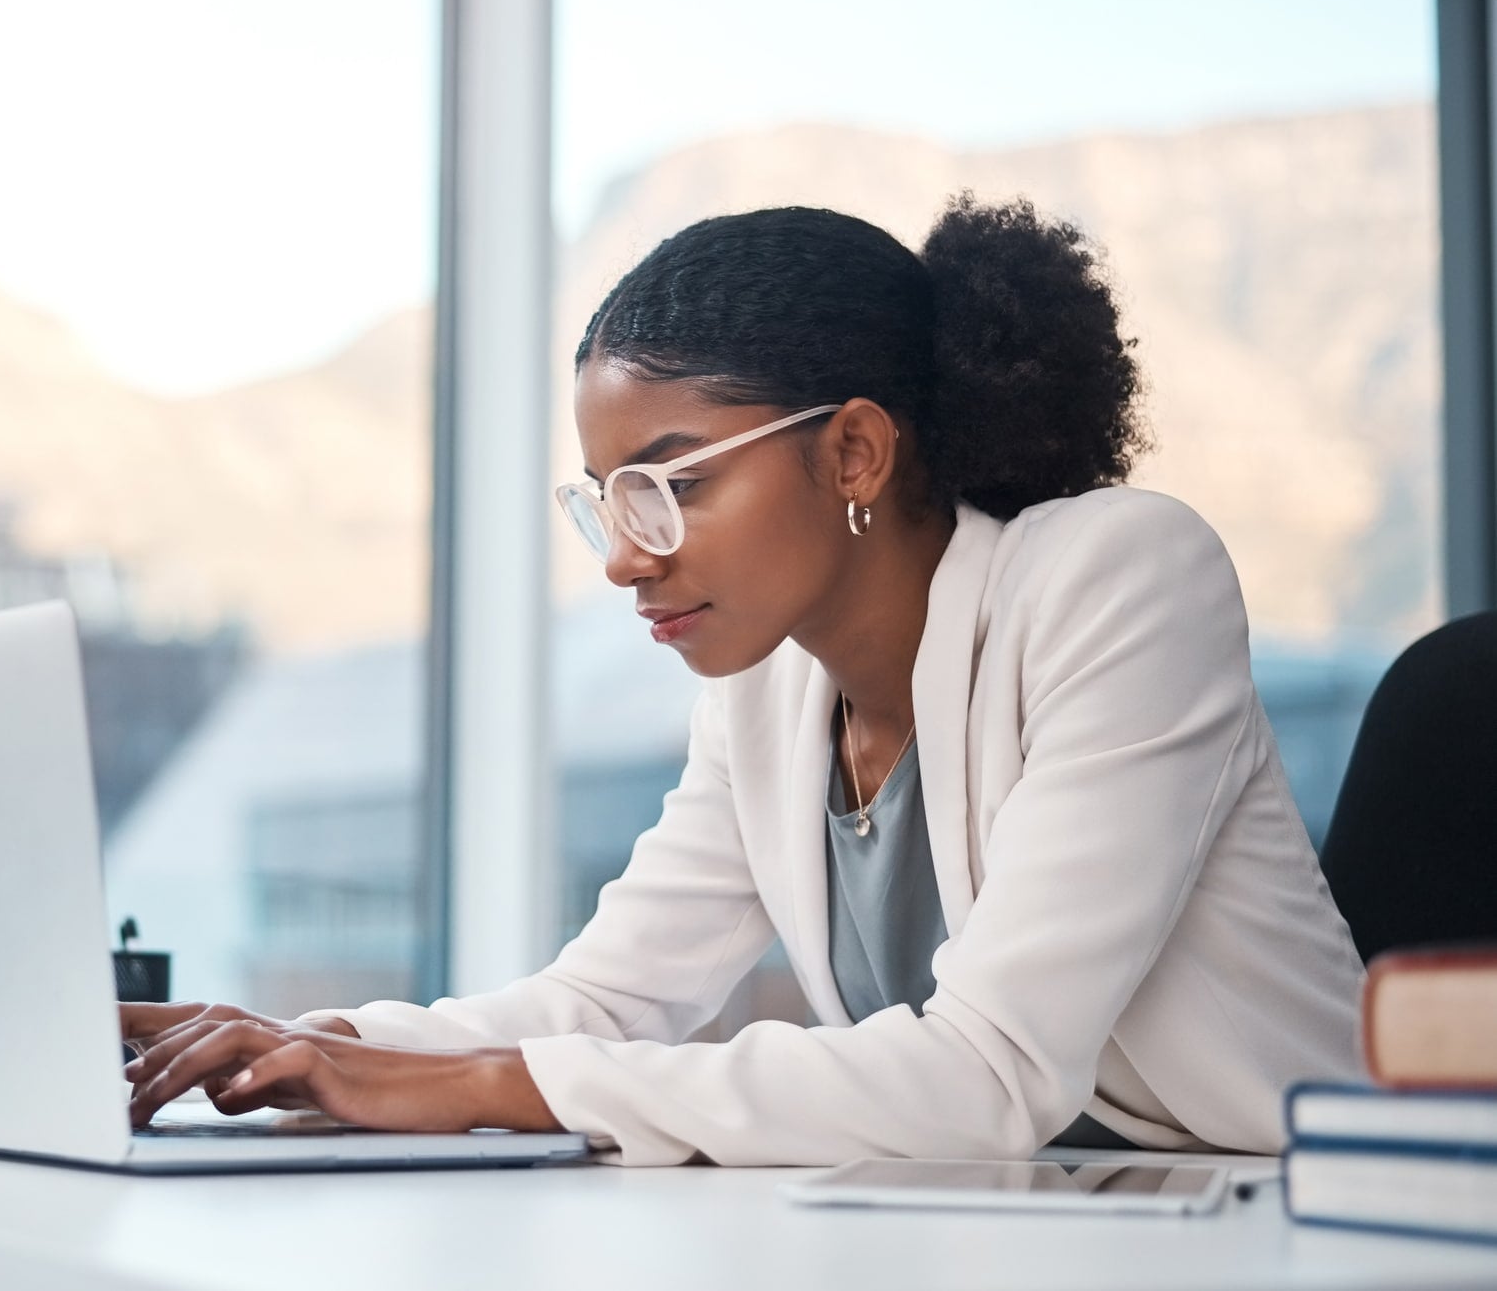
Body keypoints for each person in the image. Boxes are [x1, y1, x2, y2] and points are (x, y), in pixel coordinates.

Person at [121, 196, 1364, 1166]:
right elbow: (608, 997)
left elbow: (989, 1070)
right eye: (604, 499)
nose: (621, 555)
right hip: (1014, 1224)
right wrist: (313, 1046)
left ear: (854, 450)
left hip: (1296, 1224)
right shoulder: (766, 689)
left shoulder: (1122, 576)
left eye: (672, 484)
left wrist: (480, 1085)